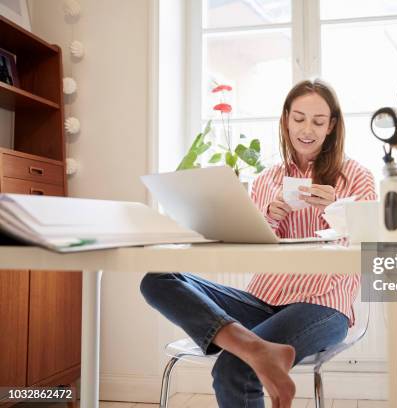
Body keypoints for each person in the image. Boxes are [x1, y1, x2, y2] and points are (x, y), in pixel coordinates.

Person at [140, 79, 376, 408]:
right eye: (299, 118)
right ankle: (253, 347)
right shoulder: (266, 180)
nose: (307, 129)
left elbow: (367, 248)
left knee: (235, 367)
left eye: (318, 121)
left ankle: (248, 351)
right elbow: (253, 249)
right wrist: (270, 217)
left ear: (332, 126)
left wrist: (338, 211)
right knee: (157, 278)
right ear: (285, 120)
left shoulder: (357, 178)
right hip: (263, 301)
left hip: (323, 305)